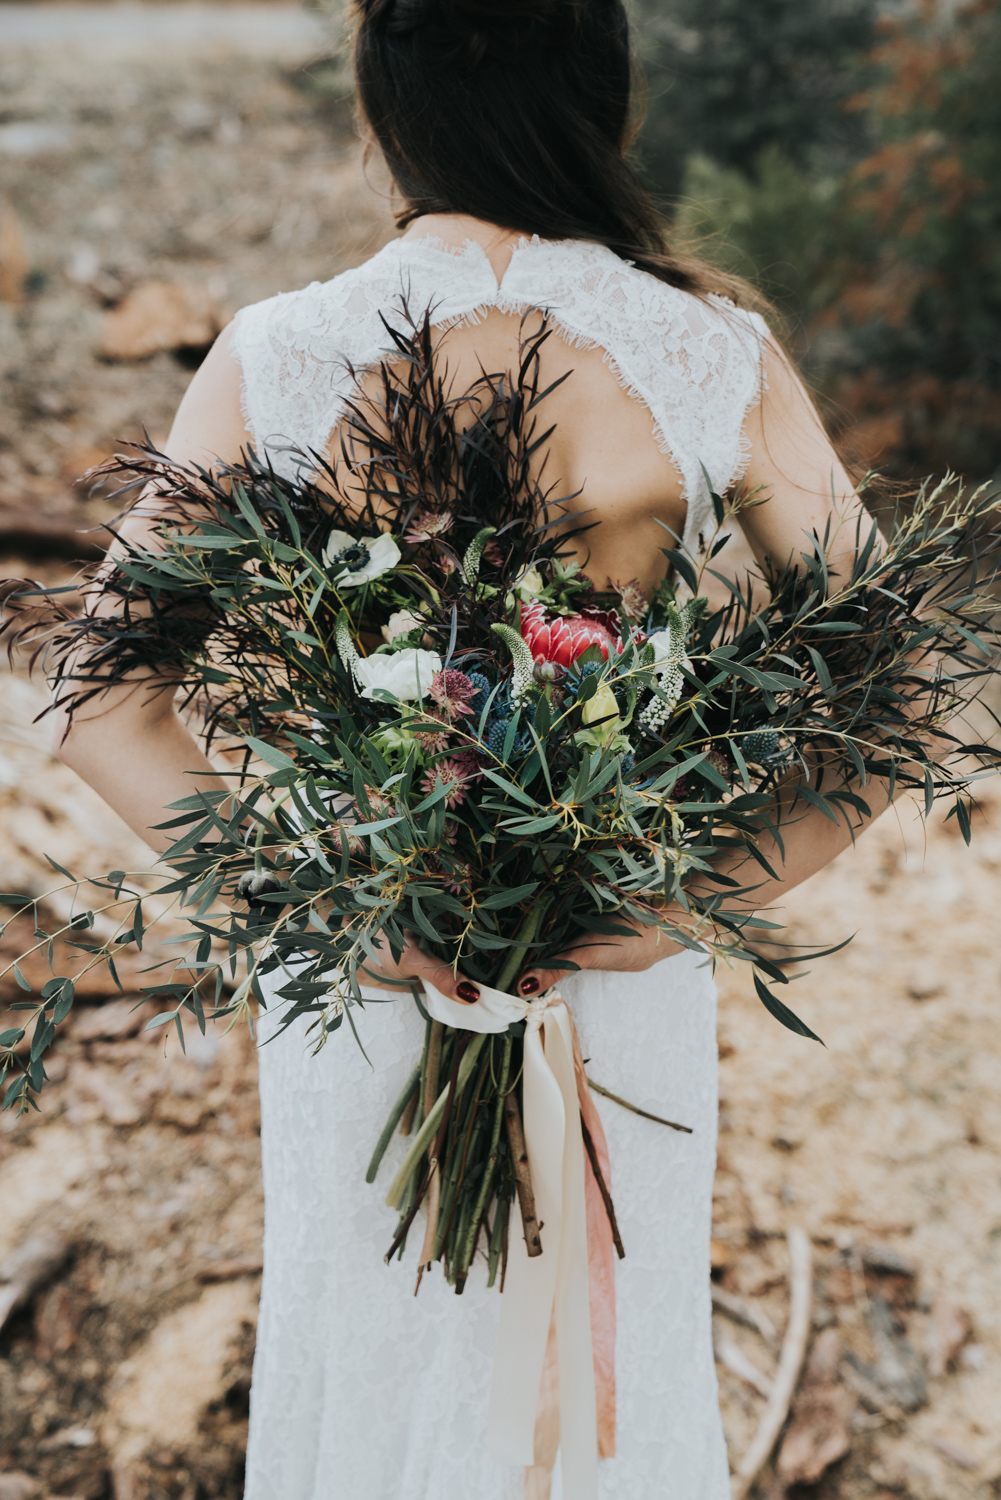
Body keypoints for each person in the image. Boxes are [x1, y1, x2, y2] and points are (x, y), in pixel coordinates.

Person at [52, 2, 883, 1495]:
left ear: (384, 115)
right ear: (607, 115)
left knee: (372, 1356)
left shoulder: (278, 353)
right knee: (605, 1380)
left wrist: (313, 905)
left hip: (368, 968)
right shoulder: (707, 353)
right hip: (616, 967)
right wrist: (700, 900)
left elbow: (102, 699)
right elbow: (899, 695)